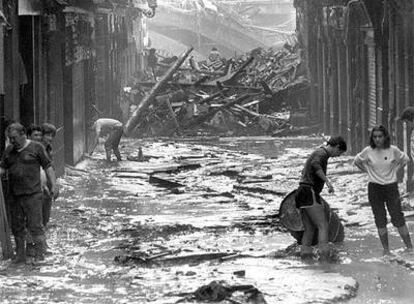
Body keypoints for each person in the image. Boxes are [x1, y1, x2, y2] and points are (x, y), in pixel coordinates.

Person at [0, 123, 57, 263]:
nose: (12, 141)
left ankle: (39, 256)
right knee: (18, 227)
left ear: (23, 134)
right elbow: (2, 168)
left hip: (33, 194)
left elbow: (48, 167)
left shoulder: (36, 148)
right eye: (10, 138)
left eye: (14, 138)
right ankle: (20, 256)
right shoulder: (9, 151)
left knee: (35, 226)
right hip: (14, 195)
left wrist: (54, 186)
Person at [354, 125, 413, 255]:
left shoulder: (393, 150)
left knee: (397, 217)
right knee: (380, 218)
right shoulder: (368, 151)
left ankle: (409, 247)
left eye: (380, 136)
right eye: (375, 137)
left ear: (385, 137)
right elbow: (357, 161)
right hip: (374, 188)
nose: (377, 139)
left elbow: (405, 159)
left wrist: (396, 170)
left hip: (391, 187)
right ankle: (386, 250)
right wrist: (367, 171)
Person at [295, 136, 347, 260]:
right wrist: (327, 182)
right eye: (339, 153)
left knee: (310, 229)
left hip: (301, 192)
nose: (337, 156)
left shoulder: (318, 152)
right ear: (337, 146)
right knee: (323, 225)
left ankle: (306, 257)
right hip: (309, 191)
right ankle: (325, 257)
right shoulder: (322, 153)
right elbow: (315, 165)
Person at [40, 123, 57, 227]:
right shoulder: (38, 149)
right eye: (47, 135)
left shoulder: (49, 148)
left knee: (46, 215)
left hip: (48, 183)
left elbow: (51, 167)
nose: (50, 138)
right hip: (39, 185)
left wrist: (55, 184)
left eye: (52, 136)